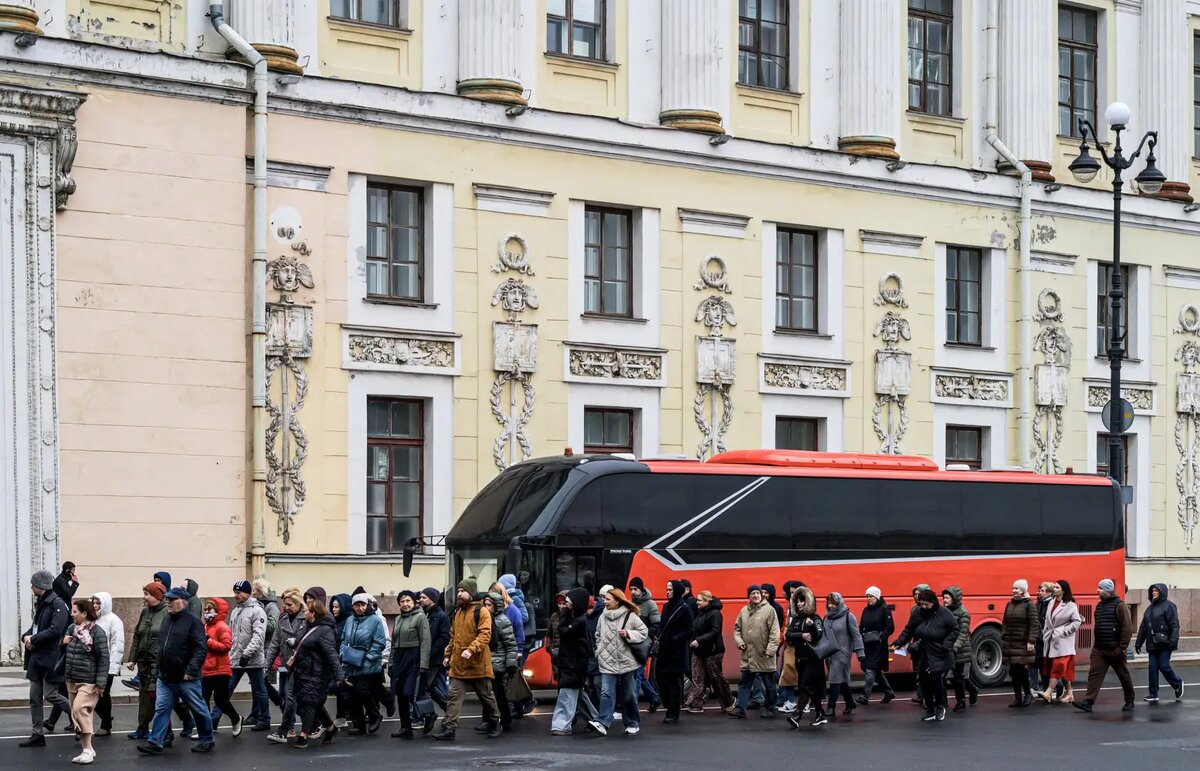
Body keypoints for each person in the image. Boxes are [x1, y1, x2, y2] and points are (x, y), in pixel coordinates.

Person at [136, 587, 214, 755]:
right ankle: (155, 742)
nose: (168, 602)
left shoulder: (193, 622)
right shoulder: (167, 620)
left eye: (172, 599)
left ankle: (207, 740)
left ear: (183, 602)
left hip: (186, 677)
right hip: (165, 676)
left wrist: (191, 670)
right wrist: (159, 668)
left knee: (198, 709)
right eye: (168, 599)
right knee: (162, 709)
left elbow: (200, 649)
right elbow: (162, 646)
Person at [435, 578, 503, 741]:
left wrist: (471, 650)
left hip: (478, 664)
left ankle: (494, 722)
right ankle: (449, 728)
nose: (459, 594)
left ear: (471, 593)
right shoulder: (458, 612)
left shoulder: (482, 611)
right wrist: (448, 656)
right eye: (458, 591)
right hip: (459, 665)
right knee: (454, 697)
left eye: (462, 591)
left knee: (486, 697)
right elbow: (453, 637)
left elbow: (485, 635)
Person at [588, 587, 647, 736]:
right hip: (607, 662)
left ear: (617, 601)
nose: (604, 601)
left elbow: (643, 632)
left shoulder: (630, 615)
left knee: (629, 695)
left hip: (627, 662)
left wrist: (629, 633)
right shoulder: (603, 616)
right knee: (606, 693)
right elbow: (597, 635)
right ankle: (603, 722)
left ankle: (632, 723)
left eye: (607, 599)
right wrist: (599, 651)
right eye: (604, 598)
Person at [892, 588, 957, 722]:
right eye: (921, 604)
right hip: (923, 651)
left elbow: (955, 629)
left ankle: (940, 707)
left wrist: (946, 645)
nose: (924, 607)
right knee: (924, 681)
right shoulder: (918, 613)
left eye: (926, 604)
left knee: (937, 681)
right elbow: (909, 629)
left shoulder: (944, 613)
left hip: (939, 652)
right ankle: (930, 709)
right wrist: (898, 642)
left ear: (933, 602)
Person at [292, 587, 344, 749]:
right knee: (313, 703)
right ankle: (330, 728)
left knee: (309, 703)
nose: (304, 613)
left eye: (307, 611)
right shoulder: (308, 626)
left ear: (313, 613)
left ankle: (304, 735)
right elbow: (300, 642)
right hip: (303, 671)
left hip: (317, 673)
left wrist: (339, 677)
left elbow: (331, 654)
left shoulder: (325, 631)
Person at [1075, 578, 1135, 713]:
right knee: (1094, 674)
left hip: (1115, 649)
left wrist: (1121, 648)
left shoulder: (1119, 606)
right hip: (1100, 649)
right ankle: (1088, 702)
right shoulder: (1100, 605)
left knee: (1123, 675)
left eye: (1100, 588)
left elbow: (1127, 628)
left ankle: (1130, 701)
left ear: (1108, 590)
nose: (1097, 590)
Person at [63, 597, 109, 765]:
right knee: (76, 715)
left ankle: (87, 749)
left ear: (84, 613)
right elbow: (64, 649)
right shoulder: (72, 629)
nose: (72, 614)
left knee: (80, 710)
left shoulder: (97, 632)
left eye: (75, 611)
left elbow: (104, 658)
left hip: (89, 680)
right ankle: (87, 749)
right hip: (72, 678)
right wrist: (62, 642)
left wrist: (101, 683)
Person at [220, 580, 271, 732]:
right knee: (225, 691)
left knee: (260, 690)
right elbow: (232, 635)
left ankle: (264, 719)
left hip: (252, 659)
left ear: (247, 593)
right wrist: (231, 653)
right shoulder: (236, 611)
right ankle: (213, 720)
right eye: (235, 592)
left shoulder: (257, 611)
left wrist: (247, 654)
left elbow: (258, 636)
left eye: (239, 592)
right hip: (236, 658)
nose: (236, 595)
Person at [123, 582, 168, 741]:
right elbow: (137, 635)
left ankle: (168, 731)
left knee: (157, 697)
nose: (144, 597)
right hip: (144, 662)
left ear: (157, 596)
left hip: (158, 662)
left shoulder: (167, 613)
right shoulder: (145, 612)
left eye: (147, 594)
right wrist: (132, 658)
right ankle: (142, 728)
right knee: (144, 697)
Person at [728, 585, 780, 719]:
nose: (756, 595)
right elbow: (737, 629)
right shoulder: (744, 611)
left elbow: (775, 632)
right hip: (748, 654)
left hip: (764, 654)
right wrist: (739, 642)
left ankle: (771, 708)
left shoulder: (769, 610)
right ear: (749, 596)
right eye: (753, 593)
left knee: (769, 684)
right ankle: (740, 709)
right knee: (744, 683)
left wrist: (770, 650)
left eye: (758, 593)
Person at [340, 593, 387, 735]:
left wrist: (368, 658)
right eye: (356, 605)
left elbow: (380, 643)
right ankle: (359, 725)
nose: (360, 608)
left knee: (362, 690)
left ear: (367, 605)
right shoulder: (349, 620)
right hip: (351, 663)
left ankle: (375, 715)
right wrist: (343, 653)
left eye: (362, 605)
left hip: (368, 664)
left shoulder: (375, 620)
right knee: (352, 694)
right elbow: (344, 639)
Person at [265, 588, 306, 743]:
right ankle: (315, 723)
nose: (286, 607)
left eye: (290, 604)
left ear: (299, 604)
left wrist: (297, 641)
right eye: (285, 604)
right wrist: (267, 665)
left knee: (292, 697)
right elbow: (275, 644)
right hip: (286, 664)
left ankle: (286, 728)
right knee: (287, 695)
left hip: (301, 665)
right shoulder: (283, 619)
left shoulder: (306, 618)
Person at [389, 590, 431, 740]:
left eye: (408, 601)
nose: (405, 604)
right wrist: (391, 663)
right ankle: (405, 727)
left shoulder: (420, 617)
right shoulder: (398, 618)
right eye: (402, 601)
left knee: (409, 692)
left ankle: (429, 714)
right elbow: (394, 643)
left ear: (414, 602)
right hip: (400, 658)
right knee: (400, 693)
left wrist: (423, 665)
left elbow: (426, 642)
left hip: (413, 658)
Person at [550, 587, 592, 736]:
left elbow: (563, 631)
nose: (565, 605)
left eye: (568, 602)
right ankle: (596, 720)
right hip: (571, 663)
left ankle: (561, 726)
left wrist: (564, 613)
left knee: (566, 695)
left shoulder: (579, 621)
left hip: (573, 664)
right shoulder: (577, 619)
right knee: (578, 695)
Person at [785, 585, 829, 728]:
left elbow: (817, 636)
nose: (799, 604)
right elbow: (788, 635)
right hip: (800, 658)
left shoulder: (815, 618)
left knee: (805, 686)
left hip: (813, 659)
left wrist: (811, 627)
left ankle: (797, 716)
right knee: (810, 688)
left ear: (808, 602)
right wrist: (802, 635)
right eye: (797, 601)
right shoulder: (796, 619)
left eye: (802, 601)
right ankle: (820, 714)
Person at [685, 590, 733, 713]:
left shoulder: (715, 614)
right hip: (698, 651)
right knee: (697, 677)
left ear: (708, 601)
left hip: (713, 651)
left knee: (716, 678)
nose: (697, 602)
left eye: (700, 600)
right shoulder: (700, 613)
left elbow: (715, 632)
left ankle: (729, 702)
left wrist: (699, 640)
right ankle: (696, 704)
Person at [201, 597, 242, 736]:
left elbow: (226, 646)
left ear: (217, 611)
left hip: (220, 670)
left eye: (209, 609)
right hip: (206, 669)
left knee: (221, 700)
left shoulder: (222, 627)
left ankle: (236, 719)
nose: (206, 611)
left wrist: (208, 641)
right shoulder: (206, 626)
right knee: (203, 700)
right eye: (205, 609)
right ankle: (205, 730)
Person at [1136, 582, 1183, 703]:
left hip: (1165, 643)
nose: (1154, 593)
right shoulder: (1149, 609)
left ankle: (1177, 683)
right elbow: (1143, 627)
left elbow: (1174, 625)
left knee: (1164, 666)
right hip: (1152, 643)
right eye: (1152, 591)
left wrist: (1173, 640)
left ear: (1162, 592)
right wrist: (1138, 643)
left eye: (1156, 591)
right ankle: (1153, 694)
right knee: (1152, 668)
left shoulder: (1169, 606)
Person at [656, 579, 695, 723]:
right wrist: (658, 635)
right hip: (664, 650)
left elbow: (689, 630)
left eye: (670, 589)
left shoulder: (685, 608)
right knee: (661, 679)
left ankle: (673, 712)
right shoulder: (666, 606)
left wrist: (675, 638)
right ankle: (669, 706)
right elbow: (662, 624)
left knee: (674, 683)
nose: (667, 592)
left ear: (677, 591)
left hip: (677, 652)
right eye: (667, 589)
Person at [1038, 579, 1081, 705]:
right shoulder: (1051, 602)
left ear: (1063, 590)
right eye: (1054, 587)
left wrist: (1064, 631)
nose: (1054, 589)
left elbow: (1077, 621)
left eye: (1057, 587)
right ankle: (1070, 693)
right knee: (1061, 668)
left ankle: (1049, 692)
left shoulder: (1070, 605)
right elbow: (1048, 619)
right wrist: (1046, 632)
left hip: (1063, 641)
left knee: (1058, 666)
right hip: (1052, 639)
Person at [481, 592, 518, 734]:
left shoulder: (502, 621)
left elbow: (510, 644)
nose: (486, 607)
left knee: (496, 693)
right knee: (488, 693)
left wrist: (511, 664)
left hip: (498, 663)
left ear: (496, 606)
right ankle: (488, 721)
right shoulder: (485, 619)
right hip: (488, 661)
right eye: (485, 605)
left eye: (489, 605)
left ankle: (500, 720)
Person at [823, 592, 865, 717]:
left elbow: (856, 635)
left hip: (842, 653)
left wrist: (860, 652)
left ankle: (831, 707)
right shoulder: (826, 617)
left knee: (835, 680)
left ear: (839, 603)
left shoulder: (848, 616)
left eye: (833, 603)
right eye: (829, 603)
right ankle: (850, 702)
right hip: (829, 654)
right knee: (841, 680)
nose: (831, 606)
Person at [89, 592, 124, 737]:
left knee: (103, 694)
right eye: (93, 603)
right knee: (91, 694)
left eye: (98, 603)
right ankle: (106, 718)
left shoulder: (114, 620)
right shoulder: (91, 618)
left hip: (107, 664)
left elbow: (117, 644)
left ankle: (106, 725)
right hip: (92, 664)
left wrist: (113, 666)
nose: (95, 606)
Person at [1001, 579, 1040, 708]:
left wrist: (1031, 641)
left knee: (1021, 671)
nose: (1014, 591)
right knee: (1013, 671)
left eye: (1017, 588)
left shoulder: (1029, 605)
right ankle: (1017, 697)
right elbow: (1005, 621)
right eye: (1013, 588)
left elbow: (1034, 624)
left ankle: (1027, 694)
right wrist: (1004, 634)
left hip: (1023, 643)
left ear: (1023, 590)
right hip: (1010, 643)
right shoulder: (1009, 604)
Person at [856, 586, 895, 705]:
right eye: (867, 596)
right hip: (868, 644)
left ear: (877, 597)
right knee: (872, 669)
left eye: (871, 596)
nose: (868, 598)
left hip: (878, 645)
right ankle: (888, 692)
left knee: (870, 669)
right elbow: (862, 625)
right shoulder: (866, 610)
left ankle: (865, 696)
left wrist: (882, 637)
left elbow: (890, 627)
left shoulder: (884, 609)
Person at [419, 587, 450, 732]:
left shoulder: (441, 616)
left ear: (432, 599)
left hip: (434, 659)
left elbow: (444, 637)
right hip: (424, 658)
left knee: (429, 687)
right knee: (426, 688)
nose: (420, 600)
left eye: (424, 597)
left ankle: (447, 712)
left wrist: (431, 652)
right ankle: (435, 713)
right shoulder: (424, 614)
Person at [627, 577, 661, 711]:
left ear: (641, 589)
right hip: (632, 642)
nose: (633, 592)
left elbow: (656, 625)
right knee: (639, 674)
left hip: (643, 644)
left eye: (635, 589)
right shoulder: (630, 603)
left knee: (637, 673)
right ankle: (654, 698)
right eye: (631, 589)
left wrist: (644, 636)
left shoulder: (650, 604)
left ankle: (633, 706)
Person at [942, 586, 979, 712]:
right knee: (946, 675)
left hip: (960, 650)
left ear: (954, 598)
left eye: (947, 598)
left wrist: (955, 647)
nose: (944, 600)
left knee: (958, 677)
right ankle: (943, 701)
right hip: (947, 648)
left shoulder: (963, 613)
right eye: (944, 598)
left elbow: (963, 633)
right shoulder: (944, 611)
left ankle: (961, 701)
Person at [329, 594, 352, 726]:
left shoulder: (349, 622)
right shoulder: (333, 622)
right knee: (340, 688)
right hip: (335, 659)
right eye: (333, 607)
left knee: (342, 688)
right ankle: (342, 716)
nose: (334, 610)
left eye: (337, 607)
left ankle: (342, 716)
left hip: (345, 660)